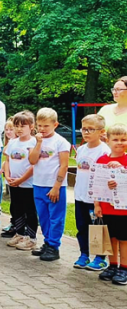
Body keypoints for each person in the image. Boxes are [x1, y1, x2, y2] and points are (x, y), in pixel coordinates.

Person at [28, 108, 71, 262]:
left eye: (46, 126)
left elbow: (64, 165)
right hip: (38, 184)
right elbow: (32, 160)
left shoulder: (61, 142)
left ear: (55, 124)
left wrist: (56, 187)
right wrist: (39, 143)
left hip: (54, 186)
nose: (42, 129)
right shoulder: (36, 140)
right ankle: (47, 242)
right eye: (39, 125)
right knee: (44, 216)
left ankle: (54, 245)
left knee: (56, 217)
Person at [72, 114, 110, 270]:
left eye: (91, 129)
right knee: (82, 226)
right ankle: (84, 254)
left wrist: (98, 200)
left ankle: (100, 257)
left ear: (101, 132)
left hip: (95, 199)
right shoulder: (81, 149)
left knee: (98, 228)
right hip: (80, 195)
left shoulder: (104, 151)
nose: (86, 132)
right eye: (84, 129)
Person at [94, 124, 127, 285]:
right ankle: (112, 265)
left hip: (124, 210)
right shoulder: (102, 160)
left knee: (124, 240)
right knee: (111, 238)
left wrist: (122, 171)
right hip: (107, 208)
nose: (120, 143)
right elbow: (96, 185)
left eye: (124, 140)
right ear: (107, 140)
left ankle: (124, 268)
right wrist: (97, 205)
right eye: (116, 139)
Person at [3, 111, 38, 251]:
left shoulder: (34, 142)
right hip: (14, 183)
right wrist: (7, 175)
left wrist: (21, 179)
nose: (19, 129)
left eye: (23, 126)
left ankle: (31, 237)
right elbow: (7, 160)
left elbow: (34, 165)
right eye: (16, 125)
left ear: (31, 127)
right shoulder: (12, 142)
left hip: (28, 184)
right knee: (16, 208)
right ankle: (19, 233)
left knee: (29, 210)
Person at [0, 117, 18, 238]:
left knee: (18, 203)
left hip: (17, 177)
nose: (8, 132)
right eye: (6, 129)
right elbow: (7, 160)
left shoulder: (17, 143)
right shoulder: (9, 143)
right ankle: (14, 222)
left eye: (11, 129)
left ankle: (18, 225)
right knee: (14, 202)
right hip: (10, 176)